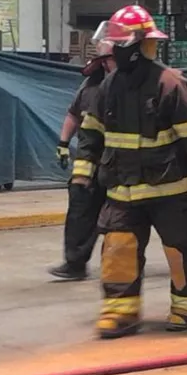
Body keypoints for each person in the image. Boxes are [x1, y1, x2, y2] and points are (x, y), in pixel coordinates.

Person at [72, 5, 187, 339]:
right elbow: (91, 133)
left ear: (141, 46)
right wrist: (82, 174)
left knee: (180, 250)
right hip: (122, 190)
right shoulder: (108, 87)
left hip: (170, 191)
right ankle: (120, 313)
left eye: (120, 45)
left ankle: (186, 308)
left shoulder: (171, 84)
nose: (114, 52)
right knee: (118, 248)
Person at [49, 39, 115, 281]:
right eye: (106, 61)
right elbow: (73, 115)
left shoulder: (140, 85)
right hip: (93, 161)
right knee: (80, 207)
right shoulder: (91, 86)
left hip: (125, 164)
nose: (108, 65)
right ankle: (75, 263)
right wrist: (63, 143)